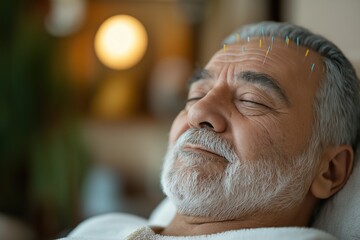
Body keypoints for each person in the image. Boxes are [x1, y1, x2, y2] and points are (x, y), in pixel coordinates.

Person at [61, 21, 360, 240]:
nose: (198, 112)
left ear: (329, 171)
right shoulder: (102, 228)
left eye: (251, 100)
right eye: (195, 94)